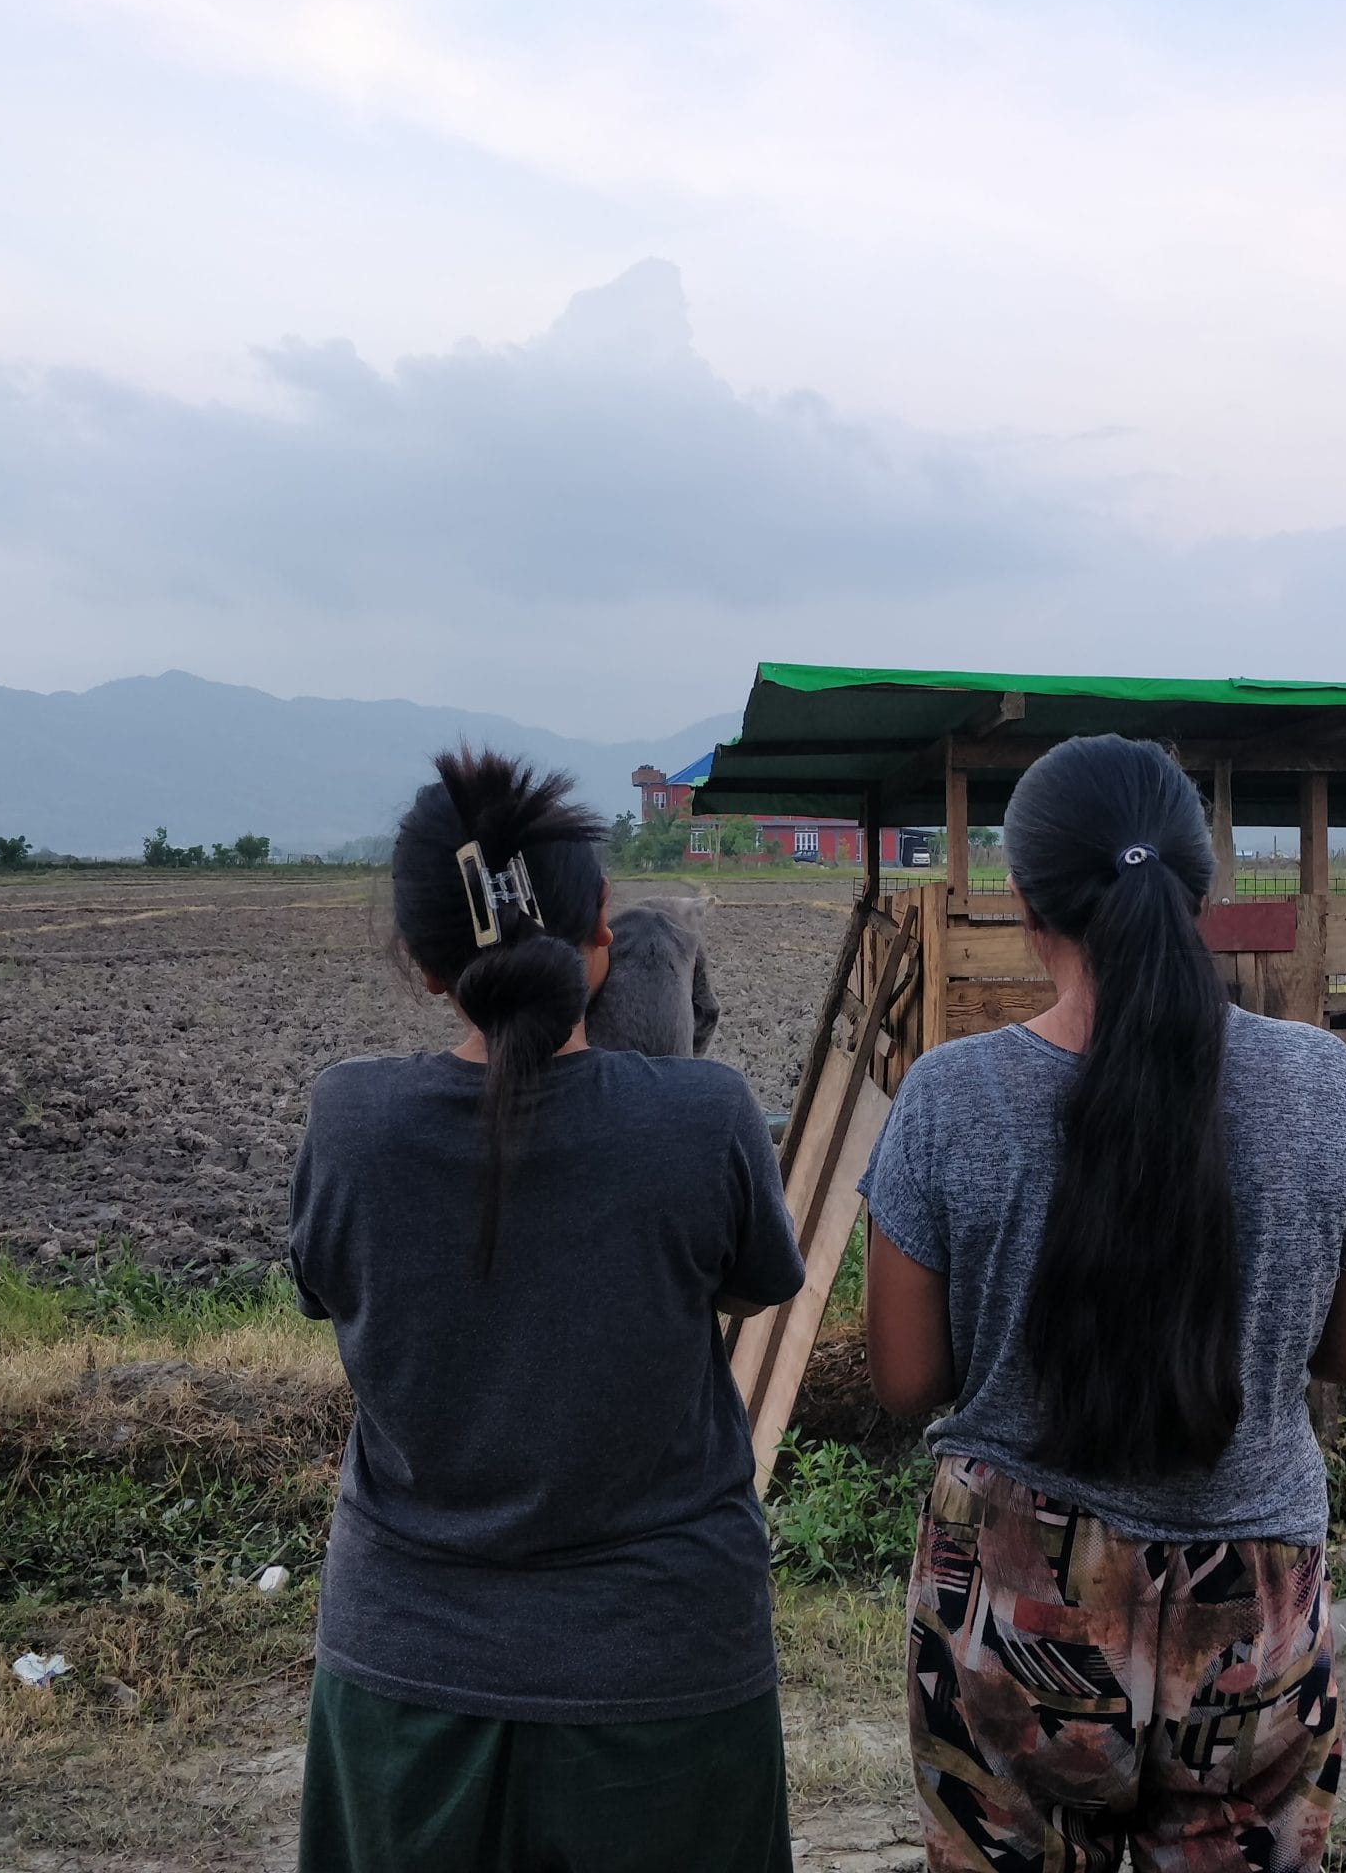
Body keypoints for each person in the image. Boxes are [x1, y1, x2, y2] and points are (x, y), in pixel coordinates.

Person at [860, 733, 1346, 1872]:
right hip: (1249, 1610)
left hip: (1017, 1602)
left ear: (1024, 901)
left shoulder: (950, 1097)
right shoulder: (1320, 1084)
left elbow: (907, 1381)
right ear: (1200, 889)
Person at [288, 750, 804, 1873]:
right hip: (666, 1670)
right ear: (603, 931)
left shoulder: (351, 1126)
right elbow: (758, 1283)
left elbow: (332, 1289)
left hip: (407, 1674)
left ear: (426, 966)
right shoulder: (703, 1118)